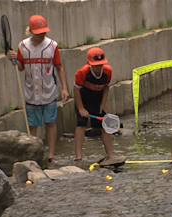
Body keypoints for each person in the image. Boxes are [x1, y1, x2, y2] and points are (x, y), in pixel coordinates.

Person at [6, 15, 69, 164]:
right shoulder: (23, 46)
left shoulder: (52, 45)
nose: (42, 35)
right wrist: (13, 60)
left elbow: (59, 68)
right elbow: (21, 68)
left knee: (50, 123)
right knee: (32, 125)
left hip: (49, 91)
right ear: (31, 31)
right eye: (39, 32)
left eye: (44, 32)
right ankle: (33, 155)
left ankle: (51, 155)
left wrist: (64, 88)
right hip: (30, 92)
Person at [73, 47, 114, 161]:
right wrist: (81, 108)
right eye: (96, 65)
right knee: (81, 124)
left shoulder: (107, 71)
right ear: (89, 63)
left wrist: (103, 103)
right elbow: (76, 90)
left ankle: (111, 156)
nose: (98, 67)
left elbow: (106, 87)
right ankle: (78, 156)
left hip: (98, 100)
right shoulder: (82, 72)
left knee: (104, 126)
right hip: (83, 100)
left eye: (100, 64)